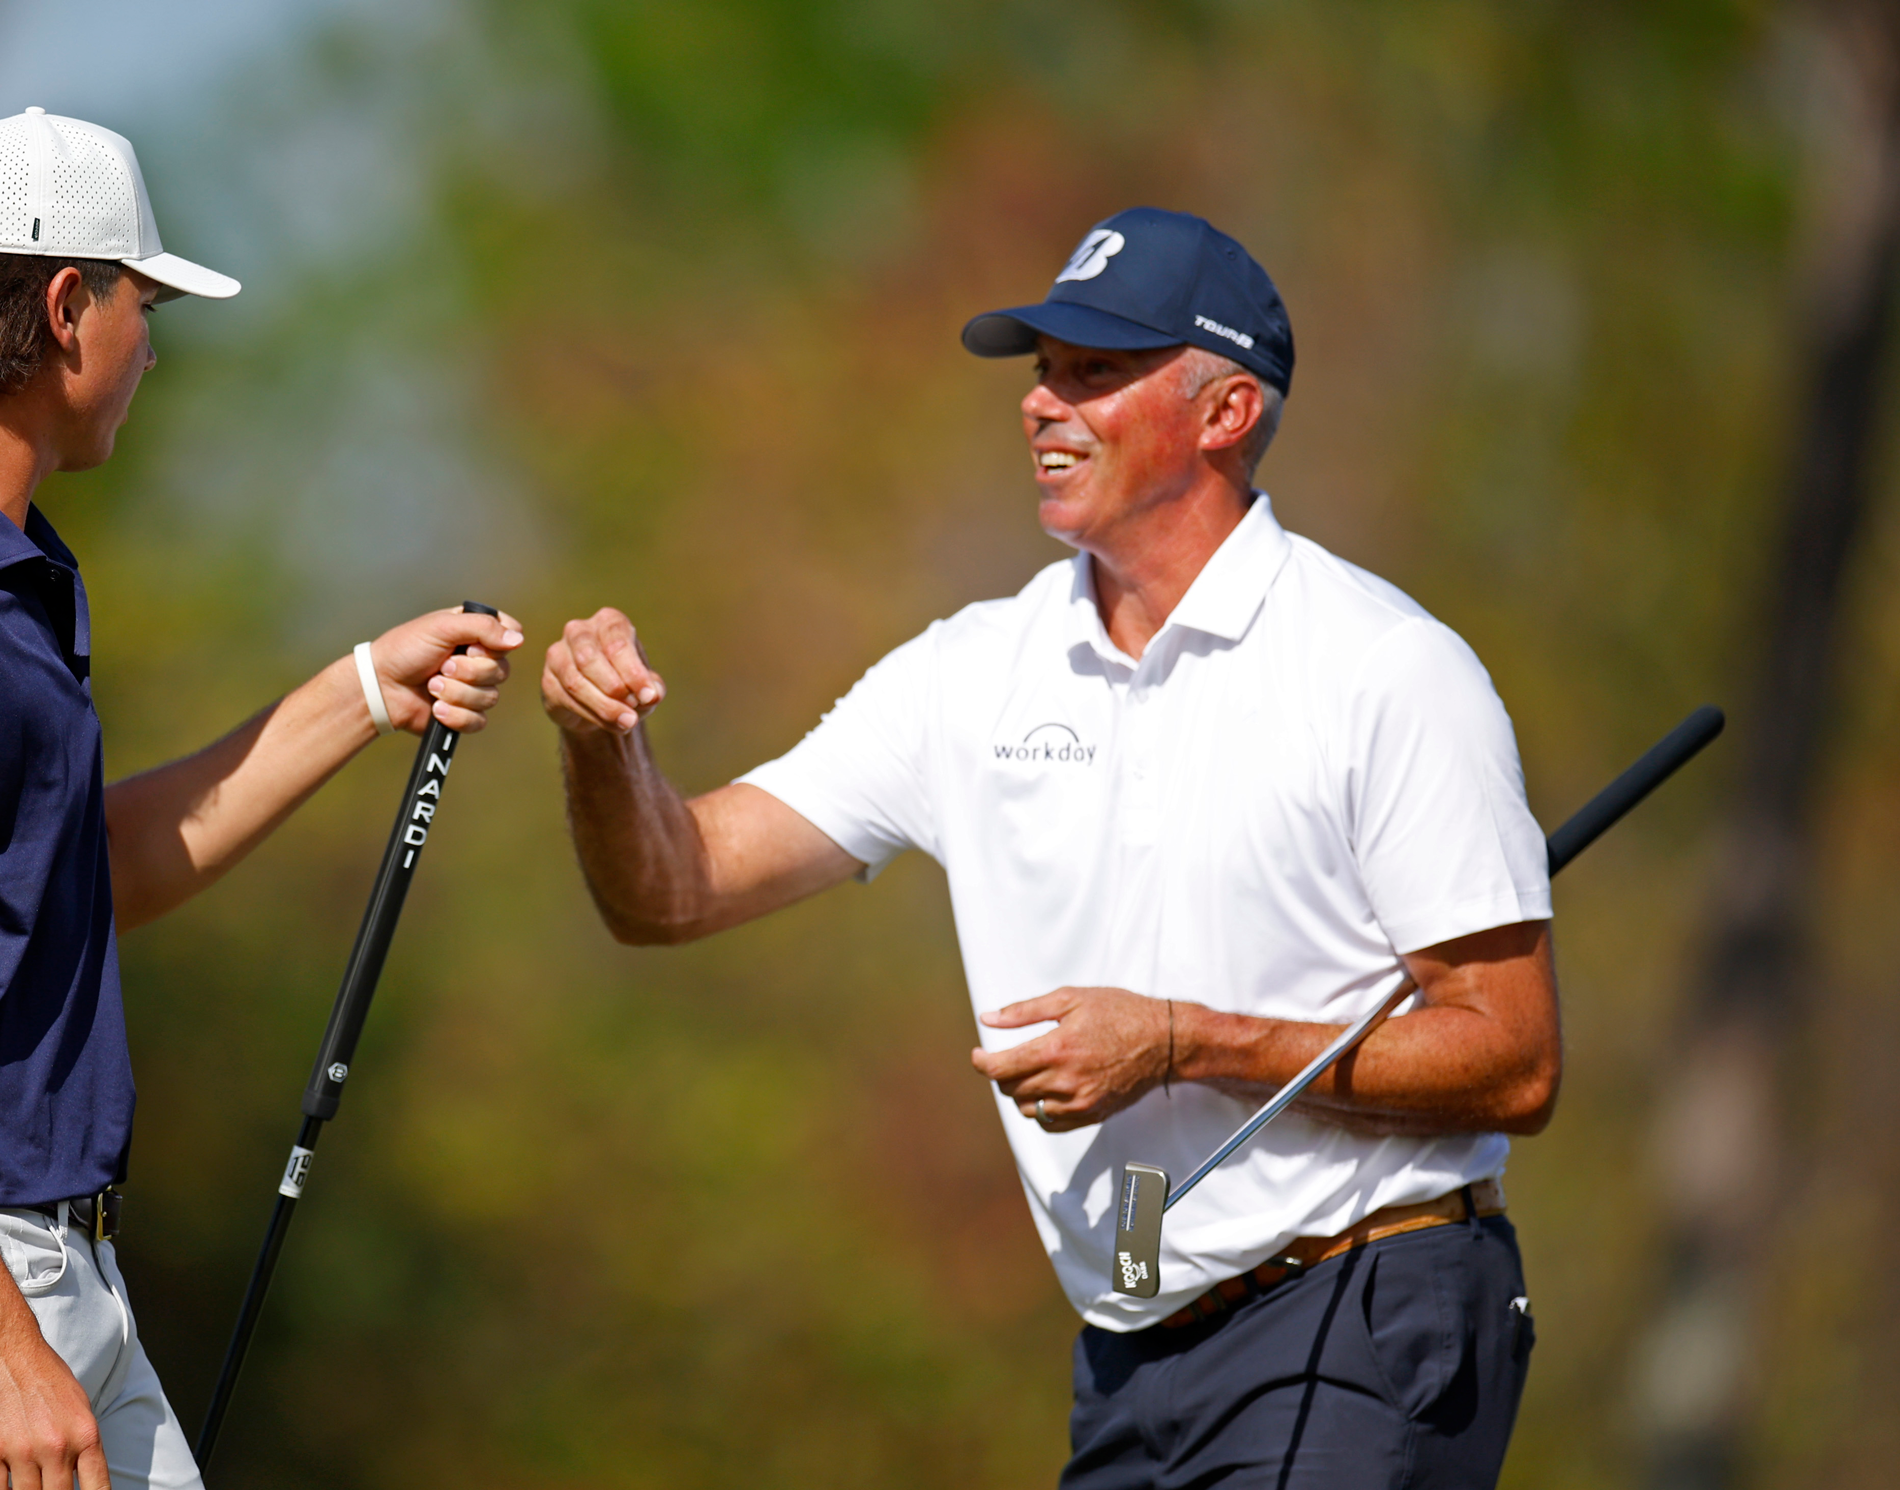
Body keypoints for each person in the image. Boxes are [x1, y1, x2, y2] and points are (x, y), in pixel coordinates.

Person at [540, 207, 1558, 1486]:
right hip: (1136, 1336)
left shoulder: (1384, 669)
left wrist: (1186, 1042)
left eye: (1093, 371)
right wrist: (600, 745)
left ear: (1225, 411)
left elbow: (1513, 1056)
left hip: (1363, 1308)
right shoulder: (968, 671)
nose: (1041, 404)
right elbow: (671, 889)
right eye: (1042, 370)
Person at [0, 108, 522, 1490]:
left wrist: (361, 691)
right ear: (67, 306)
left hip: (45, 1279)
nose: (153, 347)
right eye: (143, 302)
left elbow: (93, 866)